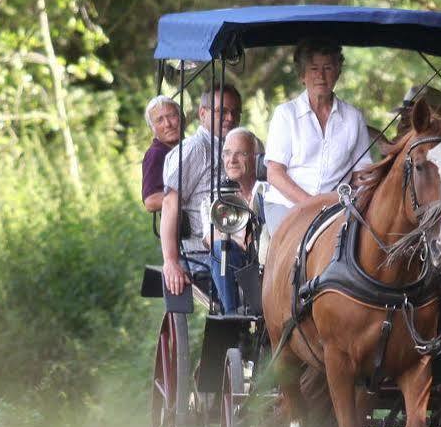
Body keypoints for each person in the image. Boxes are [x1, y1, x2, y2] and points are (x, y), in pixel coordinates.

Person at [263, 39, 374, 235]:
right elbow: (275, 174)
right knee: (295, 253)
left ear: (338, 72)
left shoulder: (353, 117)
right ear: (302, 75)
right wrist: (311, 204)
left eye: (328, 68)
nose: (321, 76)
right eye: (314, 69)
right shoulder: (285, 114)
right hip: (287, 205)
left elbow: (361, 175)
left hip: (337, 209)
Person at [158, 85, 246, 310]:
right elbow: (169, 203)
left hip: (244, 238)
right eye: (222, 111)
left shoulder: (240, 145)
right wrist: (170, 261)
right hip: (206, 249)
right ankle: (232, 317)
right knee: (223, 247)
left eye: (235, 112)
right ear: (203, 113)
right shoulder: (195, 150)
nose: (230, 118)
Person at [139, 95, 183, 213]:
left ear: (181, 117)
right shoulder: (156, 153)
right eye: (160, 120)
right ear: (152, 129)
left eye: (172, 116)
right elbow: (150, 201)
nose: (167, 124)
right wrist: (189, 195)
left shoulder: (186, 147)